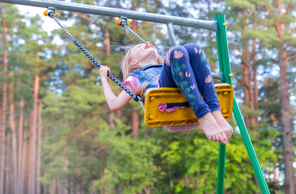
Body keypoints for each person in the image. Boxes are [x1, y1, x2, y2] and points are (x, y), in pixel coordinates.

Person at [99, 42, 233, 144]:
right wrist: (104, 78)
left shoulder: (168, 67)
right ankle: (204, 115)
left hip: (189, 104)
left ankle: (215, 113)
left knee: (192, 48)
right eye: (140, 46)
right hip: (169, 108)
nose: (146, 43)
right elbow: (114, 105)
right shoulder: (136, 77)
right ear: (133, 62)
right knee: (177, 51)